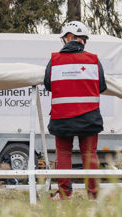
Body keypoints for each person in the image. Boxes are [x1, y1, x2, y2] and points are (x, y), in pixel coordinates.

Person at [44, 21, 106, 200]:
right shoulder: (93, 60)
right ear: (80, 40)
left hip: (62, 117)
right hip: (89, 117)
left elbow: (48, 85)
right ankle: (93, 195)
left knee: (63, 154)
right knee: (89, 154)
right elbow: (101, 86)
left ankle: (64, 194)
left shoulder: (54, 60)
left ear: (68, 38)